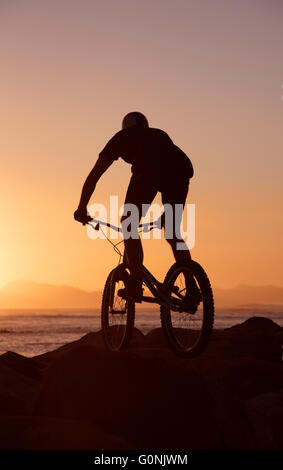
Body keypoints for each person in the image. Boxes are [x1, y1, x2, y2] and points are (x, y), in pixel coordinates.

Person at [74, 112, 195, 301]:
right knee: (172, 232)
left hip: (149, 171)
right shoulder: (158, 134)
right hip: (181, 171)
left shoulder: (121, 138)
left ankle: (136, 284)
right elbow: (168, 167)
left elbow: (94, 175)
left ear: (125, 128)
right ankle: (192, 286)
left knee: (129, 225)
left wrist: (82, 207)